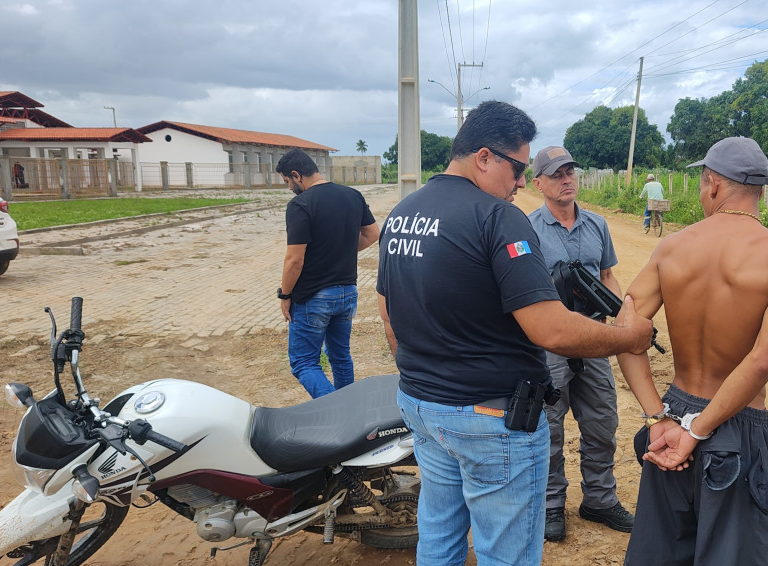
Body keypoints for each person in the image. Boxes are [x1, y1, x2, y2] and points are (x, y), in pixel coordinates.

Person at [376, 101, 654, 566]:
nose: (522, 182)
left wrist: (426, 377)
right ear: (484, 157)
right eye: (519, 168)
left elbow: (387, 310)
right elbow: (551, 329)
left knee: (439, 537)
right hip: (490, 417)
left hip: (423, 407)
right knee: (506, 553)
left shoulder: (404, 213)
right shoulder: (497, 217)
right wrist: (629, 337)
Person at [617, 137, 768, 566]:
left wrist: (658, 418)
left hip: (671, 419)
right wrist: (699, 431)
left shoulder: (672, 247)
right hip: (733, 424)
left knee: (661, 554)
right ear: (763, 190)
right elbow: (761, 361)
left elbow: (627, 332)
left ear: (711, 184)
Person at [527, 145, 634, 541]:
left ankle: (600, 501)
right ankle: (552, 504)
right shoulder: (528, 228)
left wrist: (617, 313)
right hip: (550, 343)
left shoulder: (597, 225)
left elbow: (607, 275)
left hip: (593, 338)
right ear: (538, 183)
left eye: (570, 171)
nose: (566, 179)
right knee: (550, 427)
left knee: (602, 421)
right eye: (556, 174)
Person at [276, 149, 380, 398]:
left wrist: (285, 295)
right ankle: (350, 415)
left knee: (303, 362)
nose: (289, 188)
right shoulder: (352, 195)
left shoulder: (300, 204)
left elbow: (294, 260)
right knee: (340, 357)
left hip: (314, 297)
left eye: (287, 182)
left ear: (296, 175)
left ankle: (336, 414)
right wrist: (339, 250)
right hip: (347, 293)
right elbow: (372, 234)